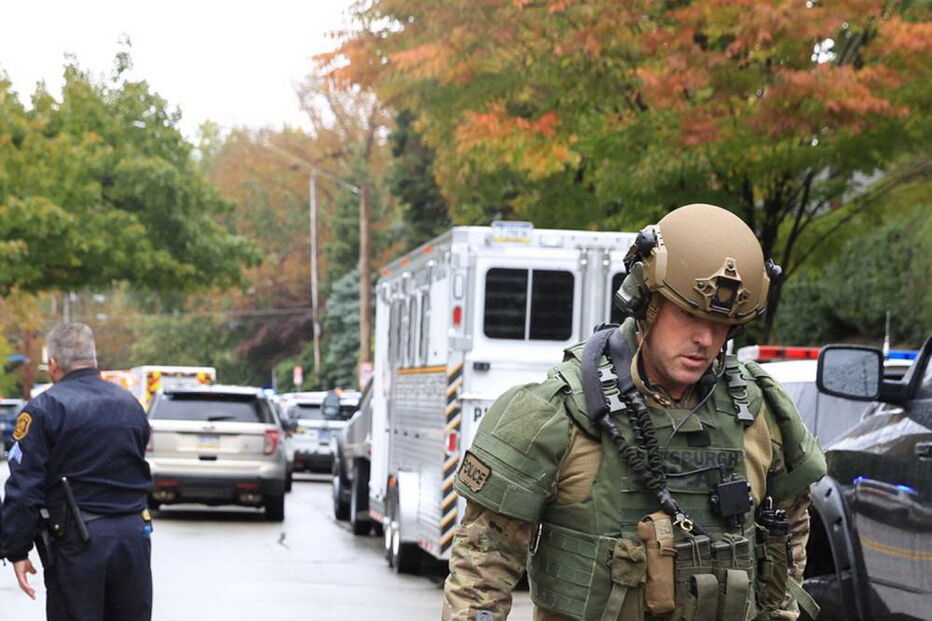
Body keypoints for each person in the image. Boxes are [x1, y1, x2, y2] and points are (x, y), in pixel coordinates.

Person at [443, 204, 826, 621]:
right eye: (689, 315)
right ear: (646, 302)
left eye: (722, 325)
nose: (705, 338)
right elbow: (482, 567)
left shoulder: (759, 413)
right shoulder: (560, 412)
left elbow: (789, 535)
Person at [0, 323, 153, 621]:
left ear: (53, 364)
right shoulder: (131, 405)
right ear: (93, 359)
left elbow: (25, 487)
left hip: (78, 544)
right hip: (133, 537)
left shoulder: (44, 409)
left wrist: (17, 549)